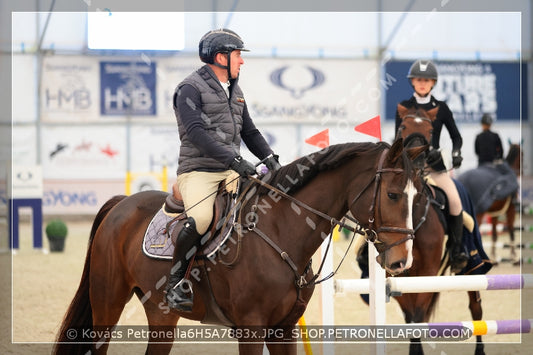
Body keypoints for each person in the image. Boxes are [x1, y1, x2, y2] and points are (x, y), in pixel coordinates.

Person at [166, 28, 281, 311]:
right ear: (221, 57)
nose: (242, 61)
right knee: (202, 218)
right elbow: (195, 133)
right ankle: (175, 281)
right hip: (199, 171)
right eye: (238, 55)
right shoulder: (189, 89)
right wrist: (233, 160)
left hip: (232, 170)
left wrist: (270, 159)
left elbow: (250, 132)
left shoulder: (235, 90)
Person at [395, 59, 468, 273]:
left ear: (433, 82)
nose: (422, 83)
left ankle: (457, 251)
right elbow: (396, 137)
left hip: (432, 167)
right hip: (407, 166)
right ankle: (368, 251)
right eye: (419, 79)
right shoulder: (403, 107)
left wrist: (455, 154)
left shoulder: (441, 108)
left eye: (426, 80)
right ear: (413, 82)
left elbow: (456, 137)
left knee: (454, 201)